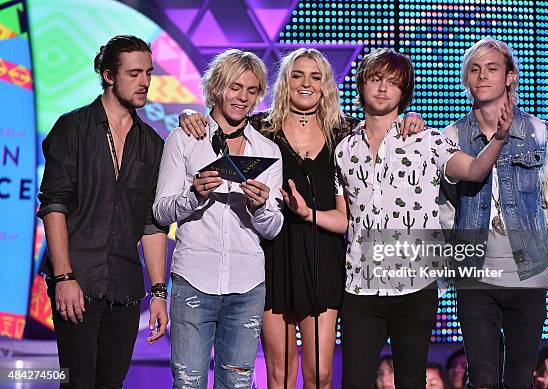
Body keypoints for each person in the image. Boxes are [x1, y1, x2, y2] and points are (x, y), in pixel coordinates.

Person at [178, 48, 424, 389]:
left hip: (324, 255)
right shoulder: (260, 128)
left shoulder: (345, 132)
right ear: (285, 82)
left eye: (315, 77)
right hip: (272, 255)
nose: (306, 84)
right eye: (297, 75)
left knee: (320, 373)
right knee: (279, 373)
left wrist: (407, 120)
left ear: (326, 86)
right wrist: (192, 115)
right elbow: (221, 120)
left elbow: (383, 130)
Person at [282, 47, 512, 389]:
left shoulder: (427, 140)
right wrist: (306, 213)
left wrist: (499, 139)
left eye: (393, 82)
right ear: (362, 85)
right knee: (355, 381)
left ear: (403, 93)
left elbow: (475, 170)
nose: (382, 88)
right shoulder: (344, 149)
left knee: (410, 381)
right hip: (361, 287)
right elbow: (345, 219)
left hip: (415, 286)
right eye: (375, 79)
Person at [37, 35, 168, 388]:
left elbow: (152, 222)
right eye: (135, 73)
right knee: (77, 383)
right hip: (78, 279)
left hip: (125, 287)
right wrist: (64, 277)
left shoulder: (152, 143)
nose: (144, 82)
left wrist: (158, 293)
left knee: (111, 383)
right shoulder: (73, 128)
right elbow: (54, 204)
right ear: (109, 75)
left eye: (149, 73)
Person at [439, 38, 548, 389]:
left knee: (519, 379)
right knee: (481, 380)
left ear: (510, 77)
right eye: (475, 69)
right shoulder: (451, 135)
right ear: (466, 78)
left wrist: (538, 250)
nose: (482, 76)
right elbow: (445, 206)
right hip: (475, 275)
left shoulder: (540, 133)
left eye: (492, 68)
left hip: (526, 273)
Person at [153, 49, 284, 388]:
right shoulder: (184, 139)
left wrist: (259, 207)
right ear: (216, 88)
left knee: (238, 383)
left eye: (251, 90)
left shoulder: (267, 151)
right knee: (188, 383)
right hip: (195, 279)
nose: (242, 97)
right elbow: (161, 211)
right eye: (234, 87)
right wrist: (194, 194)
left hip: (248, 283)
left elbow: (274, 227)